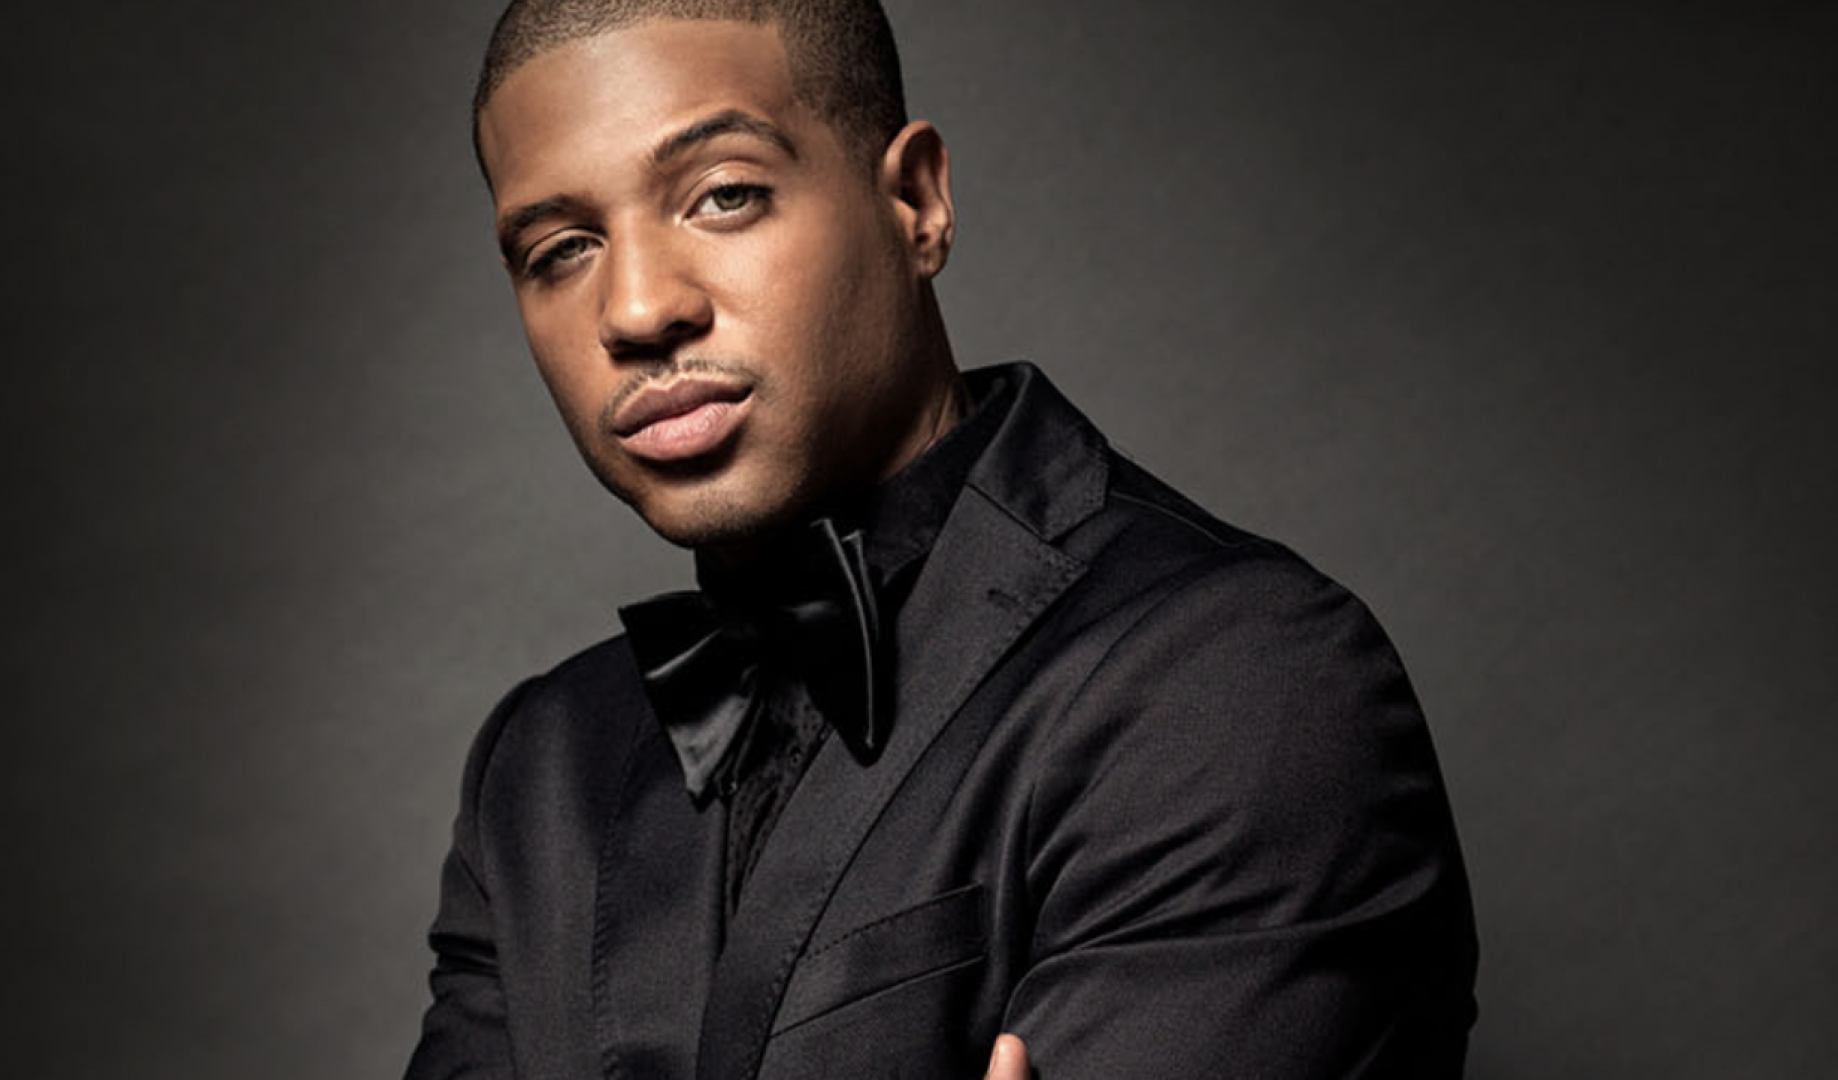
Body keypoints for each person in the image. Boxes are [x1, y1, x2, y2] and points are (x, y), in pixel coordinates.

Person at [405, 1, 1478, 1077]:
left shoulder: (1241, 678)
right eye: (560, 250)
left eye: (725, 195)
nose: (636, 310)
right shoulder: (538, 771)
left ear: (916, 203)